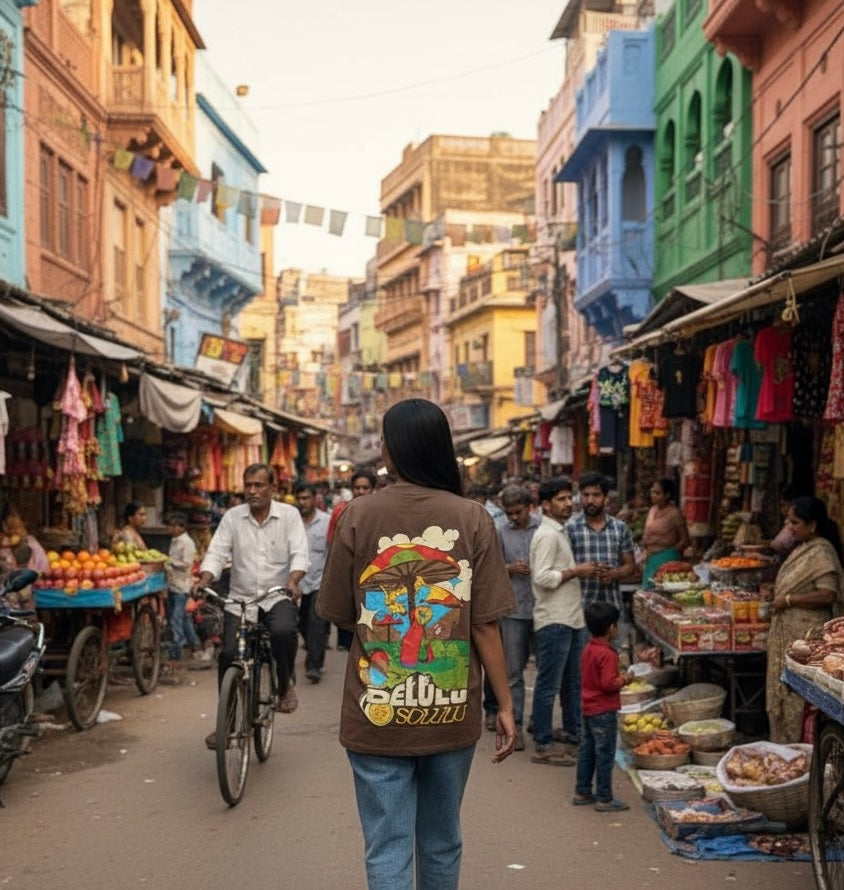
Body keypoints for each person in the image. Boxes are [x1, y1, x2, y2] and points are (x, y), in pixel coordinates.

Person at [317, 398, 516, 890]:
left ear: (393, 450)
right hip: (452, 713)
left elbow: (339, 613)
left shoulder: (357, 515)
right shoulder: (474, 518)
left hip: (377, 713)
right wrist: (506, 706)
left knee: (386, 846)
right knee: (442, 841)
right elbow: (485, 625)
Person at [197, 463, 309, 750]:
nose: (252, 491)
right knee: (228, 655)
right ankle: (228, 723)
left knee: (283, 632)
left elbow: (299, 553)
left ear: (272, 487)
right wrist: (205, 578)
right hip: (241, 600)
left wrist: (293, 580)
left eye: (259, 485)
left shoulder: (289, 515)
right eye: (248, 485)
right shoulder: (233, 517)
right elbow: (217, 551)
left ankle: (283, 685)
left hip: (276, 595)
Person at [767, 496, 844, 743]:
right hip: (789, 633)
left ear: (812, 525)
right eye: (788, 522)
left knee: (800, 701)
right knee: (785, 694)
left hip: (806, 636)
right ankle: (783, 748)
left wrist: (789, 600)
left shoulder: (822, 551)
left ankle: (800, 750)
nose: (789, 527)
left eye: (795, 522)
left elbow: (828, 594)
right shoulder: (803, 548)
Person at [529, 477, 594, 766]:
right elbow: (542, 577)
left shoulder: (559, 530)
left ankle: (571, 731)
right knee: (549, 684)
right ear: (546, 505)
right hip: (554, 618)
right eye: (561, 499)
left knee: (571, 681)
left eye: (569, 498)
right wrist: (575, 571)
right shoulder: (547, 535)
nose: (569, 504)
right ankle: (543, 743)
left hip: (570, 616)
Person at [566, 472, 636, 660]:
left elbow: (630, 565)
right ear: (580, 496)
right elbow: (563, 567)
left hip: (611, 609)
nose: (590, 500)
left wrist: (614, 574)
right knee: (583, 664)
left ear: (605, 497)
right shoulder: (570, 528)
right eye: (586, 495)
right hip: (580, 610)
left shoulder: (619, 528)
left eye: (596, 495)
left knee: (612, 662)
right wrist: (579, 571)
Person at [573, 600, 633, 812]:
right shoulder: (607, 654)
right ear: (611, 628)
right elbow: (608, 684)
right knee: (605, 754)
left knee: (587, 750)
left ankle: (582, 791)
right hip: (604, 711)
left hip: (588, 708)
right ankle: (604, 797)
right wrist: (625, 679)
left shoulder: (588, 648)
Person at [494, 484, 541, 751]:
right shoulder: (501, 532)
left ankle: (539, 723)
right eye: (509, 513)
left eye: (518, 512)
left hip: (542, 608)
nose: (514, 517)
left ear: (529, 507)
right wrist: (510, 568)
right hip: (514, 611)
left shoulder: (542, 529)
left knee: (544, 672)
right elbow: (491, 567)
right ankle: (517, 726)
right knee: (513, 673)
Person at [328, 469, 376, 651]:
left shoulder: (380, 512)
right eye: (357, 488)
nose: (361, 491)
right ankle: (346, 641)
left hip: (372, 571)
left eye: (365, 488)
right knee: (348, 607)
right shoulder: (341, 511)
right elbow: (332, 540)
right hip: (348, 569)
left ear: (373, 489)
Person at [295, 482, 331, 683]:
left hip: (319, 582)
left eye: (307, 498)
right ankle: (314, 645)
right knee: (301, 624)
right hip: (298, 583)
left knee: (317, 622)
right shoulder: (292, 523)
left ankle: (314, 665)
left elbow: (332, 550)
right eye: (300, 499)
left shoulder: (326, 521)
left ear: (314, 499)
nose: (304, 502)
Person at [164, 512, 203, 665]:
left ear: (180, 527)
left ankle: (176, 649)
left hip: (182, 585)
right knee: (184, 617)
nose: (169, 529)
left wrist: (169, 561)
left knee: (176, 618)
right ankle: (194, 644)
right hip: (173, 584)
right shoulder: (174, 541)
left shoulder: (186, 543)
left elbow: (187, 564)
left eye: (172, 526)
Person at [639, 478, 691, 589]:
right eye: (652, 492)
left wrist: (670, 555)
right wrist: (645, 552)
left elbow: (685, 540)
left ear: (667, 495)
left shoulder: (674, 513)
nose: (653, 495)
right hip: (650, 559)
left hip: (667, 560)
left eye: (657, 493)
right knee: (648, 593)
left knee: (661, 591)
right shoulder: (653, 510)